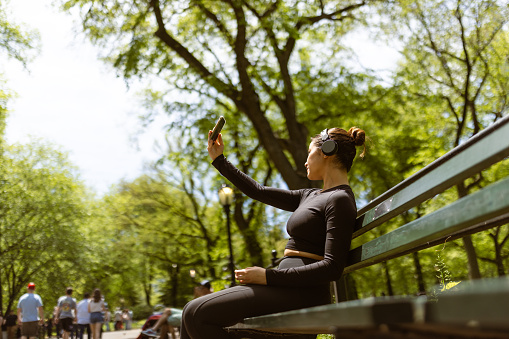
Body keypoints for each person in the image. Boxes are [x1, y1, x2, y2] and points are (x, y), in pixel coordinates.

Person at [178, 127, 366, 339]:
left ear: (326, 151)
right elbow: (258, 191)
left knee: (197, 315)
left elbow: (332, 268)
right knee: (190, 311)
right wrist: (219, 160)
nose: (305, 162)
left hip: (303, 294)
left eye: (309, 153)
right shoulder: (310, 195)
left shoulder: (340, 200)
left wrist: (267, 276)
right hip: (283, 289)